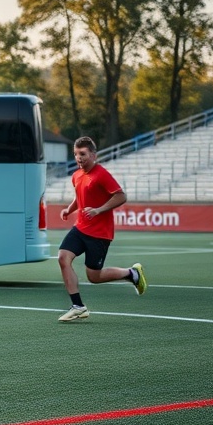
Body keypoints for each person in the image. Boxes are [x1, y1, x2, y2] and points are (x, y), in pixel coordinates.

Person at [57, 136, 147, 322]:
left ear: (93, 155)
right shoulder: (76, 175)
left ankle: (131, 273)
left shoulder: (101, 174)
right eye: (76, 154)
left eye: (83, 154)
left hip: (99, 234)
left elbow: (121, 196)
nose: (78, 157)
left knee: (94, 276)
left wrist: (98, 210)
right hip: (80, 228)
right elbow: (80, 197)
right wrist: (69, 209)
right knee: (63, 257)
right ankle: (78, 306)